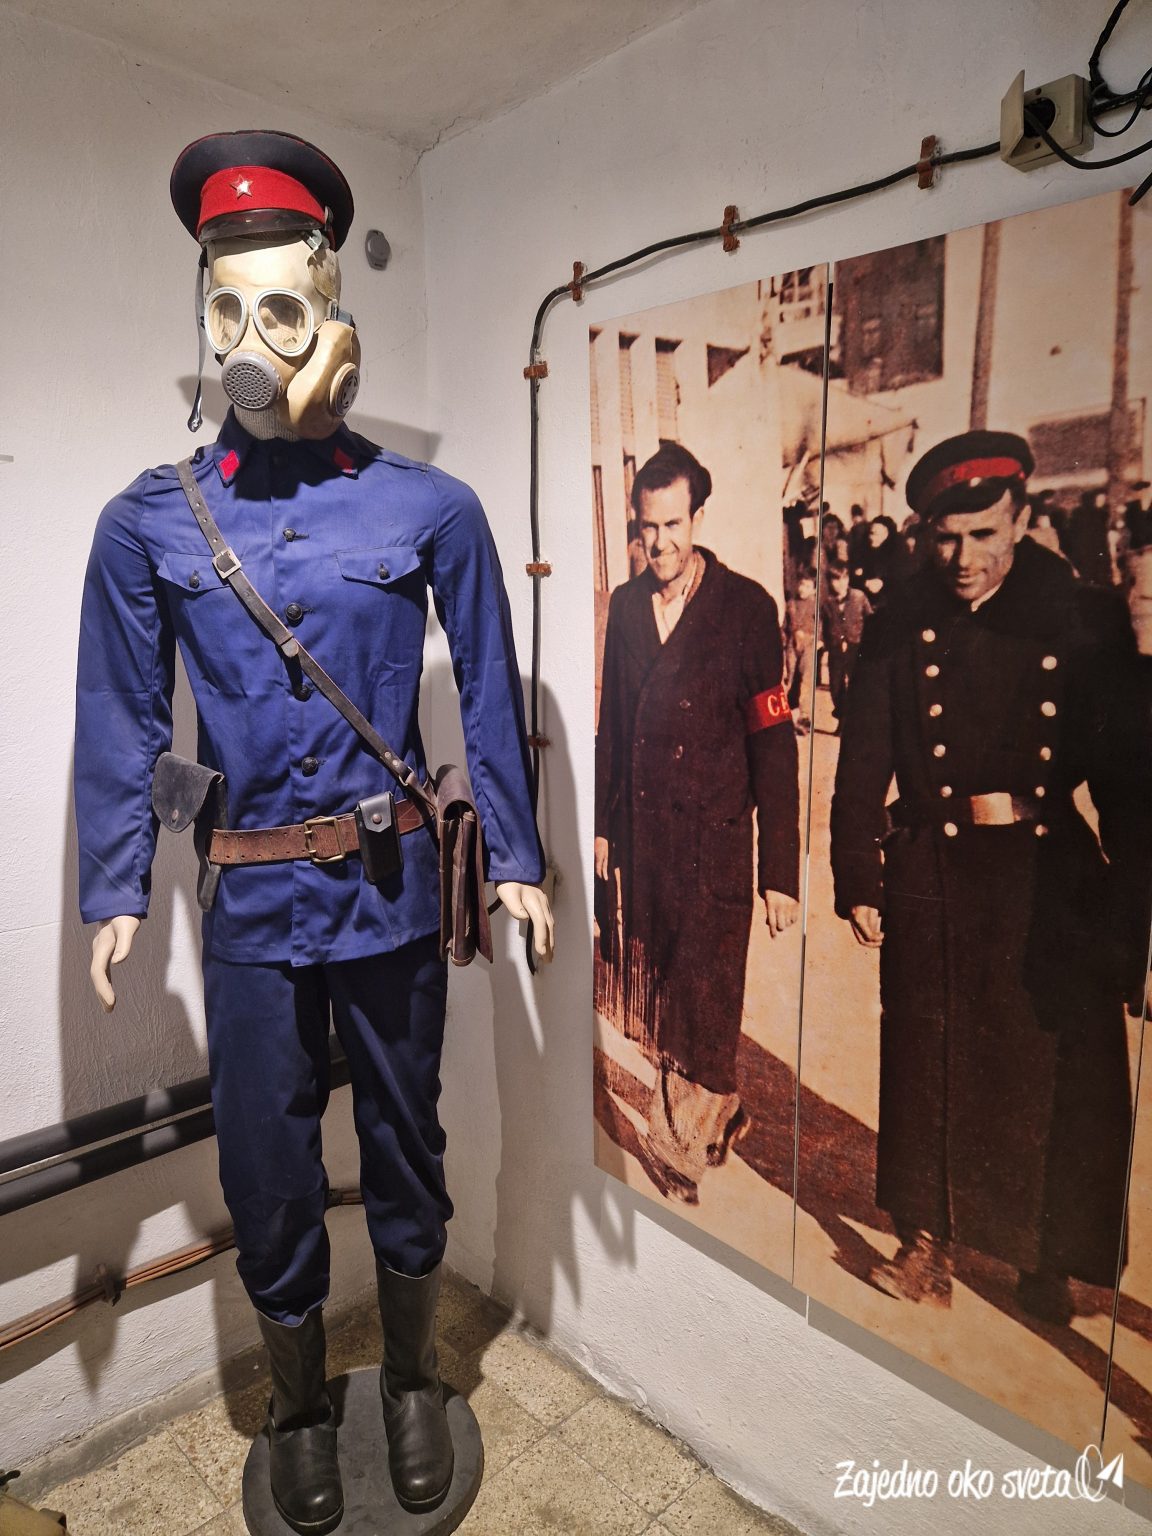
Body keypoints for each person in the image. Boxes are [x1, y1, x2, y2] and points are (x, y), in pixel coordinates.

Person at [76, 132, 554, 1531]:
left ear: (331, 314)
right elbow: (123, 716)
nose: (253, 342)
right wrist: (116, 887)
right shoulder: (149, 524)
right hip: (251, 916)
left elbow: (490, 700)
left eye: (280, 309)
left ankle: (411, 1380)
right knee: (265, 1169)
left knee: (409, 1141)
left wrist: (515, 861)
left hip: (392, 894)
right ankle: (294, 1407)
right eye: (228, 311)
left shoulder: (431, 507)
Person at [830, 430, 1152, 1323]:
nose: (964, 559)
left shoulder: (1080, 617)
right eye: (946, 538)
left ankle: (1048, 1256)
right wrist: (858, 874)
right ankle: (926, 1242)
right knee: (927, 1062)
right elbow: (862, 758)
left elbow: (1128, 786)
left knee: (1049, 1072)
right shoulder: (900, 619)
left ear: (1020, 516)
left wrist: (1137, 915)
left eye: (983, 535)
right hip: (933, 866)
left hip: (1047, 877)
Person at [595, 443, 801, 1203]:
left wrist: (781, 870)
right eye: (648, 528)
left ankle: (680, 1145)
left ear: (699, 519)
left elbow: (773, 741)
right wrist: (604, 825)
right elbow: (615, 726)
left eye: (673, 525)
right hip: (650, 837)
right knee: (662, 986)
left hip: (716, 841)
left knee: (705, 995)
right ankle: (715, 1111)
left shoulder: (748, 610)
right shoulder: (625, 608)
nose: (660, 544)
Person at [820, 564, 871, 726]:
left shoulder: (859, 597)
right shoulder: (827, 603)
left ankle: (853, 721)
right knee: (836, 686)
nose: (840, 583)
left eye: (844, 578)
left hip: (856, 645)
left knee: (856, 683)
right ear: (830, 582)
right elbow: (823, 625)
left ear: (848, 579)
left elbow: (870, 619)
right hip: (835, 647)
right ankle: (842, 717)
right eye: (836, 580)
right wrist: (824, 643)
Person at [784, 570, 817, 734]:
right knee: (789, 677)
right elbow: (786, 624)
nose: (803, 589)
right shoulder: (791, 603)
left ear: (814, 590)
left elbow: (821, 623)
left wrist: (819, 639)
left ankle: (805, 717)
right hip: (792, 643)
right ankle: (785, 713)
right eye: (802, 585)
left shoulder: (815, 605)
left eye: (808, 586)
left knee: (806, 679)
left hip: (809, 643)